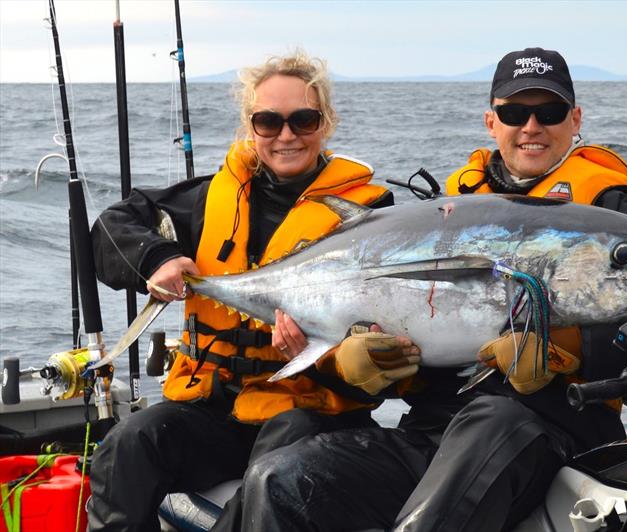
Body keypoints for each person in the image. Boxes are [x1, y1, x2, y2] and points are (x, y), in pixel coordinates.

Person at [216, 47, 627, 532]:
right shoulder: (456, 207)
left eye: (549, 112)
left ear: (575, 119)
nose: (531, 127)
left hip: (551, 429)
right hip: (438, 428)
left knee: (485, 433)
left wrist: (568, 351)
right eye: (515, 112)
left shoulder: (612, 213)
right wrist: (361, 361)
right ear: (491, 122)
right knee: (279, 478)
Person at [86, 51, 419, 532]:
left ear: (326, 123)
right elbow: (112, 227)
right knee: (130, 441)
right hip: (213, 408)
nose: (287, 136)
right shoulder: (209, 199)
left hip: (312, 411)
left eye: (303, 120)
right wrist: (155, 258)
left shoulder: (372, 217)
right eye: (269, 121)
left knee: (279, 458)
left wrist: (332, 355)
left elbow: (391, 341)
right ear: (250, 126)